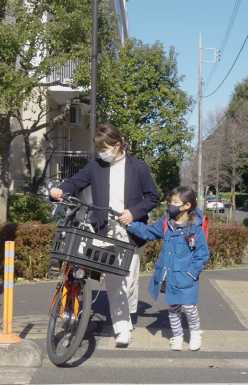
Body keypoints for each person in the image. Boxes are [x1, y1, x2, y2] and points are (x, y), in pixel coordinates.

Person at [49, 123, 160, 348]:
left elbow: (153, 196)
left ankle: (126, 317)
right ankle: (121, 326)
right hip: (103, 227)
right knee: (114, 278)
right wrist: (60, 190)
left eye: (105, 148)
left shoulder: (138, 167)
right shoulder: (96, 166)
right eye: (99, 148)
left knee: (129, 281)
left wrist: (134, 212)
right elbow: (75, 182)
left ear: (118, 145)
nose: (102, 152)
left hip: (130, 229)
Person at [126, 186, 209, 351]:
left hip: (187, 277)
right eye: (170, 202)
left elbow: (202, 254)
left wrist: (192, 273)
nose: (171, 205)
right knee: (173, 309)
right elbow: (148, 232)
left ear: (187, 206)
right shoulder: (166, 224)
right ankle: (177, 336)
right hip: (169, 275)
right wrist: (130, 224)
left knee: (190, 308)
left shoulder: (195, 228)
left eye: (175, 202)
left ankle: (195, 333)